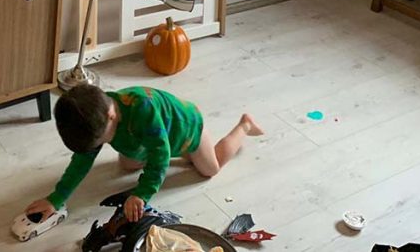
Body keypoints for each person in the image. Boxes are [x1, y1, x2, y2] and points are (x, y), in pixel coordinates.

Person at [25, 85, 264, 223]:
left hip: (186, 130)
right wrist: (56, 198)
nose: (98, 148)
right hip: (145, 138)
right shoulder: (96, 114)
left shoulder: (142, 109)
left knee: (210, 169)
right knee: (128, 164)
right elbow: (81, 162)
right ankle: (174, 156)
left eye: (100, 142)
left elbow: (160, 156)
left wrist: (141, 194)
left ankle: (244, 125)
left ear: (111, 115)